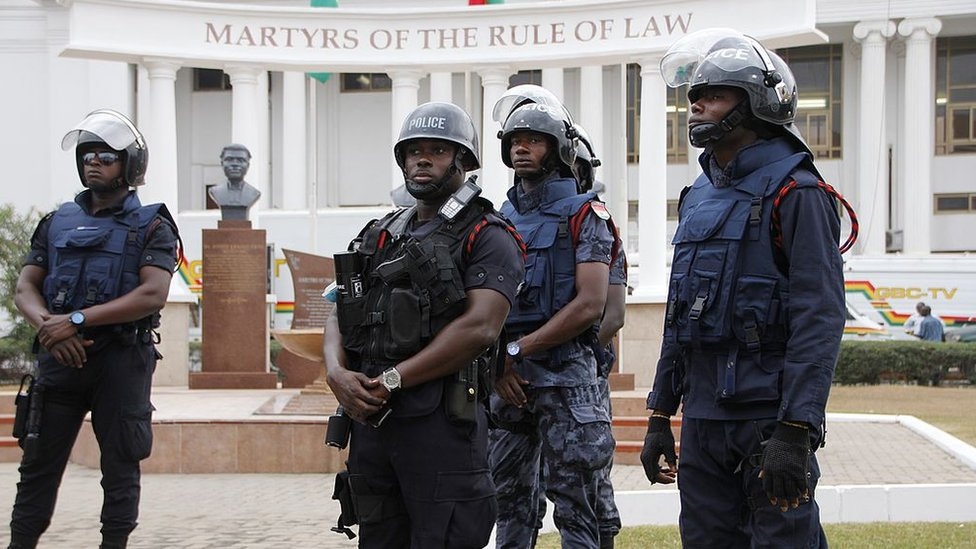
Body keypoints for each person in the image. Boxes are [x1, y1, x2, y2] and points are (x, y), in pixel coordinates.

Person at [641, 28, 853, 548]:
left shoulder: (798, 193)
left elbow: (819, 317)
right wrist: (660, 414)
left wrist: (797, 429)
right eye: (693, 98)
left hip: (769, 420)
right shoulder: (697, 197)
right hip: (705, 418)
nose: (696, 107)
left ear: (757, 103)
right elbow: (679, 315)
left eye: (712, 96)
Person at [323, 101, 525, 548]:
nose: (422, 159)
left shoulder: (489, 235)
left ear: (463, 161)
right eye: (414, 151)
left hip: (442, 429)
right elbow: (341, 307)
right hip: (373, 425)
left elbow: (480, 328)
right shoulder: (379, 233)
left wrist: (394, 379)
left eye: (437, 150)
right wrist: (336, 373)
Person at [9, 109, 180, 549]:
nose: (93, 162)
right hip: (60, 360)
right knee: (37, 467)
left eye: (105, 155)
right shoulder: (55, 222)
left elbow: (152, 294)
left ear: (130, 165)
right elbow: (26, 286)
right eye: (87, 155)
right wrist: (51, 328)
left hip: (120, 361)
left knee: (121, 465)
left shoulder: (153, 225)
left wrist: (78, 321)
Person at [488, 90, 617, 548]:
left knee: (577, 505)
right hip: (508, 382)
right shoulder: (497, 218)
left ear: (559, 150)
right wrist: (499, 364)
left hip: (567, 382)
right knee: (508, 502)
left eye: (534, 140)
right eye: (515, 140)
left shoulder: (586, 213)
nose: (521, 148)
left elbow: (591, 306)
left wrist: (518, 350)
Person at [208, 144, 260, 221]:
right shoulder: (215, 191)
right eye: (229, 159)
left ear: (248, 165)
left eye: (240, 160)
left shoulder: (253, 193)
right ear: (222, 164)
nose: (234, 164)